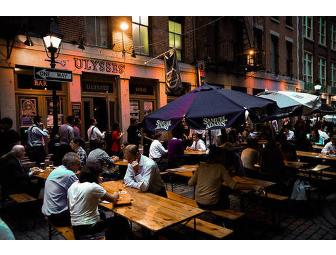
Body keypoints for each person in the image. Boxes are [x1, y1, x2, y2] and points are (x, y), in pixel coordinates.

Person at [68, 159, 131, 240]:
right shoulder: (93, 187)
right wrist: (117, 192)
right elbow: (114, 199)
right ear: (94, 176)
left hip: (75, 227)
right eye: (98, 175)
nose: (100, 176)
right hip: (89, 227)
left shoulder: (73, 185)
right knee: (121, 220)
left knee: (102, 214)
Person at [188, 146, 262, 210]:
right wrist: (253, 186)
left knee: (222, 191)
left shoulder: (201, 167)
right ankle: (223, 221)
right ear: (218, 157)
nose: (224, 158)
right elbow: (233, 186)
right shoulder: (220, 168)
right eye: (223, 156)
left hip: (199, 203)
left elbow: (190, 183)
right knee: (225, 197)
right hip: (212, 204)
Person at [42, 152, 80, 227]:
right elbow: (81, 192)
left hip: (47, 211)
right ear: (72, 164)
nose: (79, 167)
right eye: (78, 164)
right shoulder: (69, 174)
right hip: (58, 216)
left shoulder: (57, 169)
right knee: (94, 213)